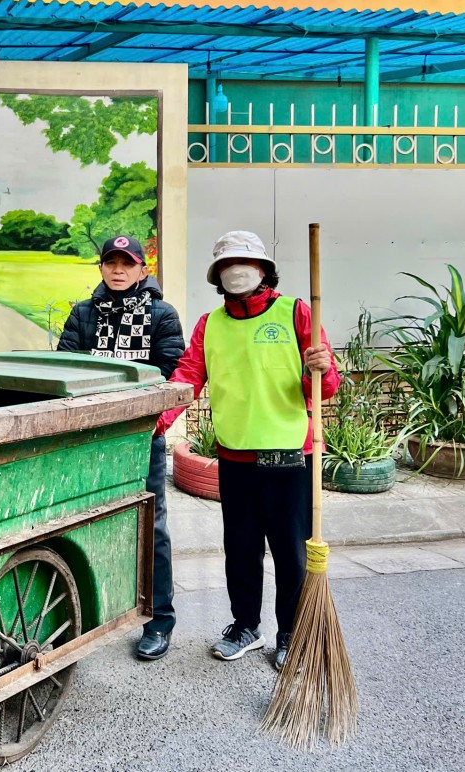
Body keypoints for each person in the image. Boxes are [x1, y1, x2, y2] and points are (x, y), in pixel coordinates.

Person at [155, 231, 338, 671]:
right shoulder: (209, 324)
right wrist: (154, 425)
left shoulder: (295, 312)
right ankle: (245, 626)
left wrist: (323, 367)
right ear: (217, 274)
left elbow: (324, 389)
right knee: (239, 549)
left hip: (291, 458)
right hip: (235, 460)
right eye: (226, 263)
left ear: (263, 270)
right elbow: (187, 376)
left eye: (244, 261)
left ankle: (291, 632)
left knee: (291, 551)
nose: (236, 269)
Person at [57, 235, 185, 661]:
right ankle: (91, 615)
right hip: (91, 440)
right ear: (100, 269)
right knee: (84, 522)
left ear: (142, 270)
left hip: (139, 437)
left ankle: (160, 619)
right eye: (110, 263)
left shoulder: (161, 314)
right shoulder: (83, 314)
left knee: (151, 526)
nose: (118, 270)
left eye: (126, 264)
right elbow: (65, 368)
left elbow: (167, 373)